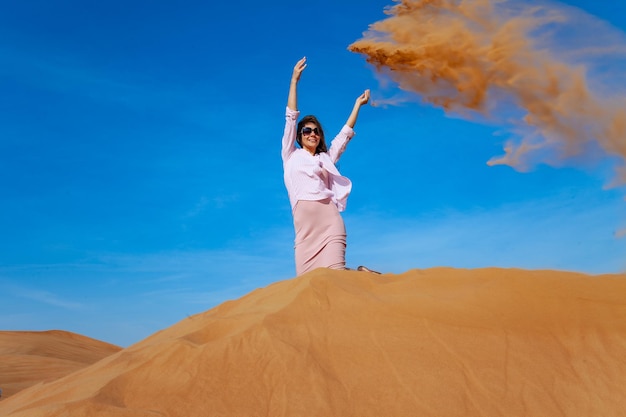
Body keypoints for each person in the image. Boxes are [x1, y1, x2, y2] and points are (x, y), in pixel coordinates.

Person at [281, 56, 376, 275]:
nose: (312, 134)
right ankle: (361, 275)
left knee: (336, 275)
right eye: (307, 130)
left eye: (316, 131)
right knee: (306, 282)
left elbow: (344, 137)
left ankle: (363, 277)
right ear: (299, 136)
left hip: (328, 220)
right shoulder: (290, 154)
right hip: (304, 231)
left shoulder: (325, 159)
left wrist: (357, 106)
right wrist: (294, 80)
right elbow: (291, 117)